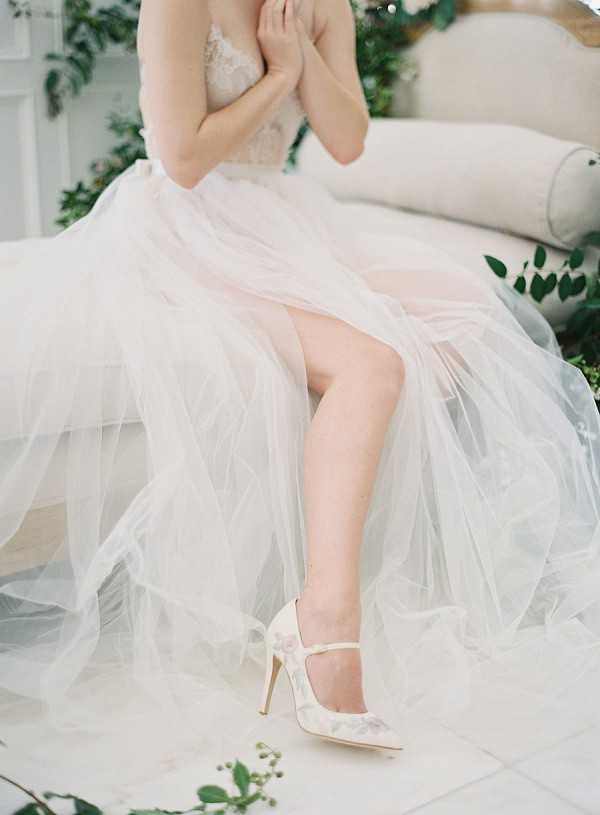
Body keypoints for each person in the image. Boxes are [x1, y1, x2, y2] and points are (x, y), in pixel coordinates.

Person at [1, 0, 599, 789]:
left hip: (279, 218)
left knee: (462, 321)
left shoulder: (324, 6)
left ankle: (414, 569)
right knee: (372, 363)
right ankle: (323, 621)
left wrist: (307, 55)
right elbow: (181, 157)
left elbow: (347, 142)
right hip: (183, 228)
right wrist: (277, 72)